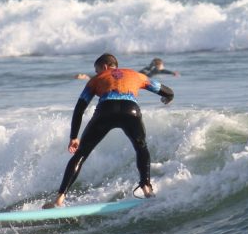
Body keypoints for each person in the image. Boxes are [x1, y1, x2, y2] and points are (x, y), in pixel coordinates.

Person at [45, 53, 174, 208]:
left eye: (97, 69)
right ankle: (146, 186)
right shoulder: (137, 75)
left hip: (105, 112)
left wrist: (73, 137)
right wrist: (167, 99)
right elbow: (167, 91)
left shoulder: (96, 80)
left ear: (105, 67)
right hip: (130, 112)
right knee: (141, 147)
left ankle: (60, 198)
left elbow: (80, 108)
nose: (98, 73)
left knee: (80, 155)